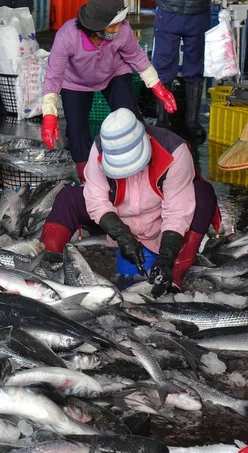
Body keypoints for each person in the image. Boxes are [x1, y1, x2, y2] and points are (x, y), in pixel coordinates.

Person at [39, 108, 220, 297]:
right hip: (118, 215)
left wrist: (166, 258)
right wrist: (122, 236)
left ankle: (175, 273)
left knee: (203, 194)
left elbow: (177, 211)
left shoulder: (174, 150)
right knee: (67, 197)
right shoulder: (100, 148)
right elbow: (96, 200)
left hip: (160, 217)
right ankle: (47, 271)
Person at [41, 0, 177, 183]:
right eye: (114, 25)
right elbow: (53, 76)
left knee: (131, 119)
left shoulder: (123, 30)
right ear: (96, 29)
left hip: (114, 73)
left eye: (120, 22)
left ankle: (145, 171)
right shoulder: (67, 36)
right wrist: (49, 115)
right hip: (75, 82)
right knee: (76, 130)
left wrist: (157, 86)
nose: (120, 27)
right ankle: (87, 177)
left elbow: (136, 56)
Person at [152, 0, 210, 138]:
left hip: (198, 13)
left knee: (196, 66)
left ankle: (193, 121)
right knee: (163, 67)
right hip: (168, 11)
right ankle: (162, 119)